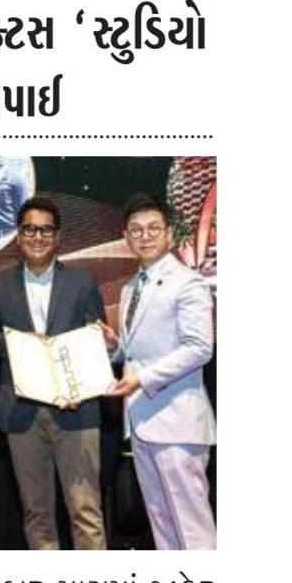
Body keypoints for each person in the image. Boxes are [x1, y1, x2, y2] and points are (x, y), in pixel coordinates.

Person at [0, 196, 107, 550]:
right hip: (22, 412)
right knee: (36, 513)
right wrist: (22, 344)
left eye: (45, 230)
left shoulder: (83, 282)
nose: (37, 236)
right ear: (18, 236)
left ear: (58, 237)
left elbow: (96, 340)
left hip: (77, 410)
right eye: (29, 229)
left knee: (86, 510)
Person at [102, 193, 216, 550]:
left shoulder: (188, 282)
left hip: (178, 423)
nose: (145, 235)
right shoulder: (131, 286)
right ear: (126, 238)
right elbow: (138, 352)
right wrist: (114, 347)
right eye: (136, 230)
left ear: (169, 234)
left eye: (154, 228)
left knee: (191, 528)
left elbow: (200, 348)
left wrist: (143, 379)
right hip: (141, 422)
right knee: (161, 523)